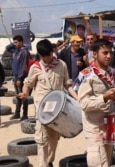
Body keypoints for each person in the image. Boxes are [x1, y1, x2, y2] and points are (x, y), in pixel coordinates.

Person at [17, 39, 77, 167]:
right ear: (39, 55)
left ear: (52, 51)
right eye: (43, 56)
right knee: (42, 140)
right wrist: (25, 93)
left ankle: (49, 161)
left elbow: (68, 85)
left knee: (54, 139)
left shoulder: (62, 65)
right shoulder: (35, 68)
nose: (47, 58)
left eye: (49, 55)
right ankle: (43, 164)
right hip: (41, 111)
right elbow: (27, 85)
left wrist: (77, 98)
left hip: (57, 111)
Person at [77, 39, 115, 166]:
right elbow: (83, 103)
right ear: (95, 54)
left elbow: (112, 91)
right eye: (105, 53)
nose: (109, 56)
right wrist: (104, 98)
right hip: (94, 127)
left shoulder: (110, 72)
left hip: (109, 124)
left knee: (107, 161)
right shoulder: (87, 75)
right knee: (98, 162)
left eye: (110, 52)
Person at [10, 35, 30, 121]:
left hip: (21, 77)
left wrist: (19, 78)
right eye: (14, 42)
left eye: (16, 42)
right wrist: (12, 44)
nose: (14, 44)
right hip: (16, 75)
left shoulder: (24, 52)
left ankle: (25, 114)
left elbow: (23, 66)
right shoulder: (16, 50)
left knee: (23, 96)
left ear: (21, 42)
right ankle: (17, 113)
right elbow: (7, 48)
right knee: (18, 96)